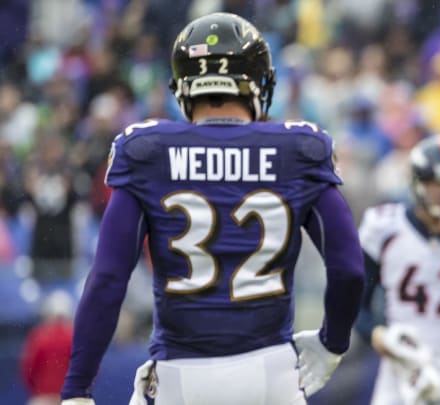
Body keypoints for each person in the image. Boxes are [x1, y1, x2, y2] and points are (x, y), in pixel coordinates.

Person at [60, 12, 365, 405]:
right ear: (258, 82)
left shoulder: (149, 150)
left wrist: (77, 388)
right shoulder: (299, 149)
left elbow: (107, 280)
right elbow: (349, 270)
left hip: (181, 376)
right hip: (273, 375)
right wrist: (332, 342)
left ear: (183, 85)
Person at [354, 135, 440, 405]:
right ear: (418, 183)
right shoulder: (385, 226)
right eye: (436, 183)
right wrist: (380, 336)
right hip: (404, 362)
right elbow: (355, 301)